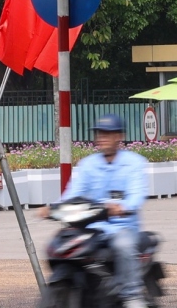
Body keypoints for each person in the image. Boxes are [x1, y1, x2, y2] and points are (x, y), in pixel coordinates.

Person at [39, 113, 149, 308]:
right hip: (91, 227)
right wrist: (53, 208)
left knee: (123, 246)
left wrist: (123, 207)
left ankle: (131, 295)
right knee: (63, 246)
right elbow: (72, 193)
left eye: (107, 133)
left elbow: (137, 195)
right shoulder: (88, 164)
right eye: (99, 133)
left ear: (119, 137)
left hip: (122, 227)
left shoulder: (134, 163)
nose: (102, 138)